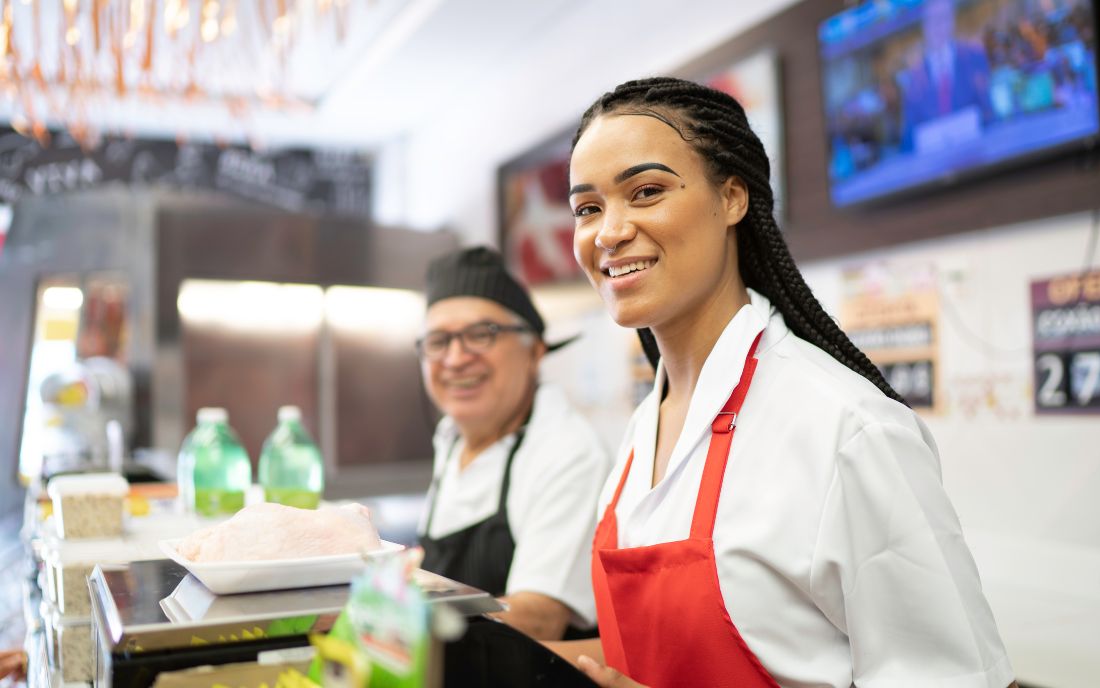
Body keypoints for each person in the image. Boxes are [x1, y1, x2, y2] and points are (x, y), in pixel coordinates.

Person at [554, 77, 1017, 687]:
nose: (608, 232)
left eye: (645, 192)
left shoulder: (846, 428)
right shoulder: (646, 427)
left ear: (733, 199)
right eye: (588, 207)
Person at [416, 246, 611, 641]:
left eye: (480, 335)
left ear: (535, 351)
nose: (455, 359)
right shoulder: (451, 438)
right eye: (438, 341)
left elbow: (540, 618)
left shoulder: (566, 452)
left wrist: (405, 625)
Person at [899, 0, 993, 153]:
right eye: (932, 20)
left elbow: (990, 113)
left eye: (943, 18)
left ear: (952, 21)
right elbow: (909, 140)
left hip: (978, 157)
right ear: (924, 26)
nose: (937, 26)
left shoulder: (974, 59)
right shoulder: (914, 80)